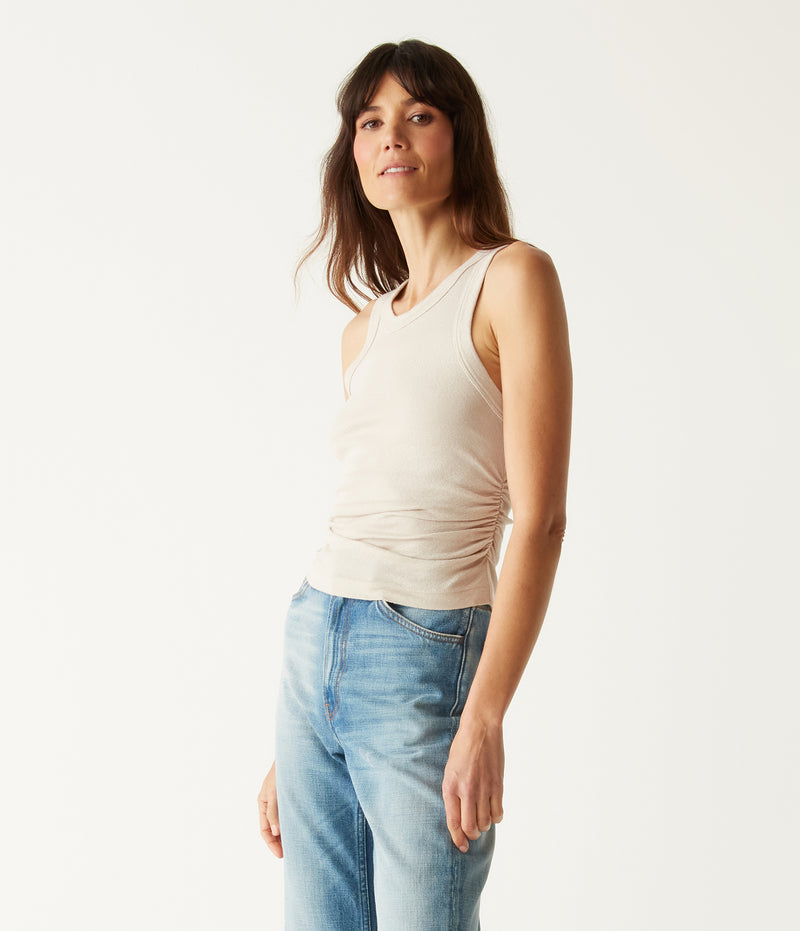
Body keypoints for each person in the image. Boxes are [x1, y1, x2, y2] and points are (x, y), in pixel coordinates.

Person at [257, 38, 572, 929]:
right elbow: (368, 500)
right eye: (370, 121)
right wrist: (301, 736)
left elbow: (541, 519)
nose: (391, 135)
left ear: (458, 136)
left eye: (418, 115)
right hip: (315, 641)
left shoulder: (511, 278)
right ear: (353, 152)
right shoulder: (363, 330)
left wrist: (485, 716)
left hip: (424, 647)